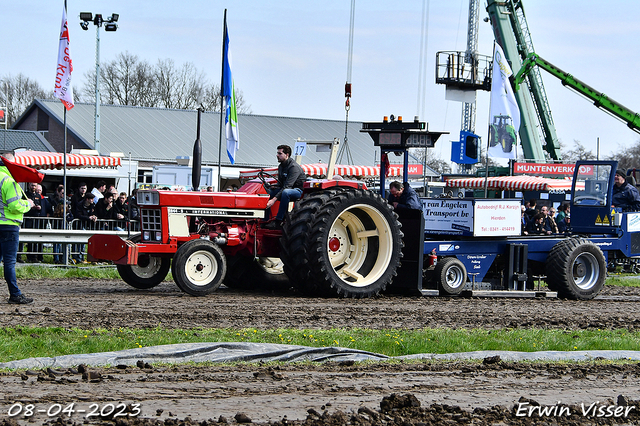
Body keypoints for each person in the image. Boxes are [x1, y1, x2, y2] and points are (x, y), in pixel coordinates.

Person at [0, 153, 35, 304]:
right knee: (9, 262)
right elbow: (14, 205)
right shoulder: (9, 181)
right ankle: (15, 294)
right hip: (9, 226)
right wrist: (29, 204)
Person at [264, 145, 306, 229]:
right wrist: (274, 186)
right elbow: (281, 184)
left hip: (298, 190)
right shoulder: (281, 166)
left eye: (280, 153)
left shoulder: (294, 167)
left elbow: (287, 186)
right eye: (277, 153)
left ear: (287, 155)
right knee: (267, 192)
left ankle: (279, 220)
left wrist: (273, 200)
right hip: (286, 189)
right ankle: (264, 220)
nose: (277, 155)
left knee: (286, 192)